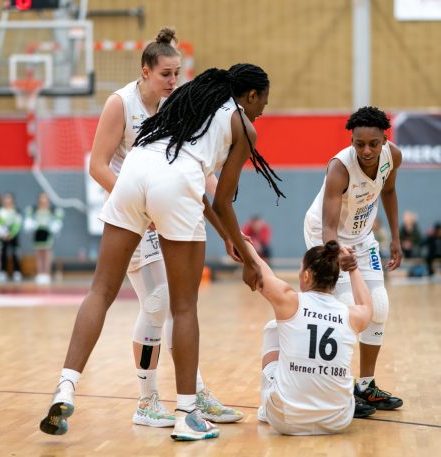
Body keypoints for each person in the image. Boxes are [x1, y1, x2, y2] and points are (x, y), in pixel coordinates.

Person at [40, 63, 283, 441]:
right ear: (251, 96)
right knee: (183, 306)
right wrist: (248, 255)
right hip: (177, 184)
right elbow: (221, 200)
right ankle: (187, 412)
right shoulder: (243, 125)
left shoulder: (188, 100)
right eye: (263, 102)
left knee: (100, 290)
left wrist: (227, 238)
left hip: (134, 172)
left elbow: (179, 173)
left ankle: (65, 386)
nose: (263, 110)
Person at [82, 28, 241, 429]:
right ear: (145, 71)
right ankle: (147, 398)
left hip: (167, 211)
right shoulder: (121, 103)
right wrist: (136, 203)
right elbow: (97, 165)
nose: (174, 82)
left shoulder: (178, 106)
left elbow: (191, 165)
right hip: (130, 214)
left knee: (179, 303)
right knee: (158, 302)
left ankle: (195, 391)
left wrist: (229, 227)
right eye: (166, 74)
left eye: (178, 74)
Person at [303, 106, 404, 413]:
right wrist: (337, 253)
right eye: (359, 144)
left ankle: (366, 386)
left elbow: (389, 191)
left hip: (362, 237)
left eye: (373, 143)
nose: (366, 150)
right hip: (326, 235)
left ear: (384, 139)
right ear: (352, 141)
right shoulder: (340, 168)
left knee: (380, 307)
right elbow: (329, 226)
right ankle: (341, 390)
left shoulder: (393, 156)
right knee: (348, 311)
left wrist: (396, 238)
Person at [251, 240, 375, 435]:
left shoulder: (289, 301)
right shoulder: (352, 315)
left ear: (306, 276)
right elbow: (368, 306)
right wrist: (352, 268)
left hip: (285, 420)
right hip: (338, 421)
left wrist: (242, 240)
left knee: (274, 328)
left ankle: (269, 409)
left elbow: (258, 268)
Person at [24, 192, 64, 285]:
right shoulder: (34, 210)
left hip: (47, 233)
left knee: (46, 253)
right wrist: (31, 225)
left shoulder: (52, 210)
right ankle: (40, 273)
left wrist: (54, 227)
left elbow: (57, 221)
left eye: (45, 198)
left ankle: (46, 273)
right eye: (41, 198)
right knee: (38, 254)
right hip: (37, 233)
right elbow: (28, 221)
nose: (43, 200)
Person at [0, 192, 23, 282]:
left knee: (15, 253)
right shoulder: (1, 211)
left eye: (9, 198)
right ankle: (2, 271)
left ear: (12, 200)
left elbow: (18, 223)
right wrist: (4, 233)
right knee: (3, 253)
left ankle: (17, 271)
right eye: (6, 198)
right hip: (3, 235)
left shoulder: (16, 211)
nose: (7, 200)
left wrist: (11, 234)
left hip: (14, 235)